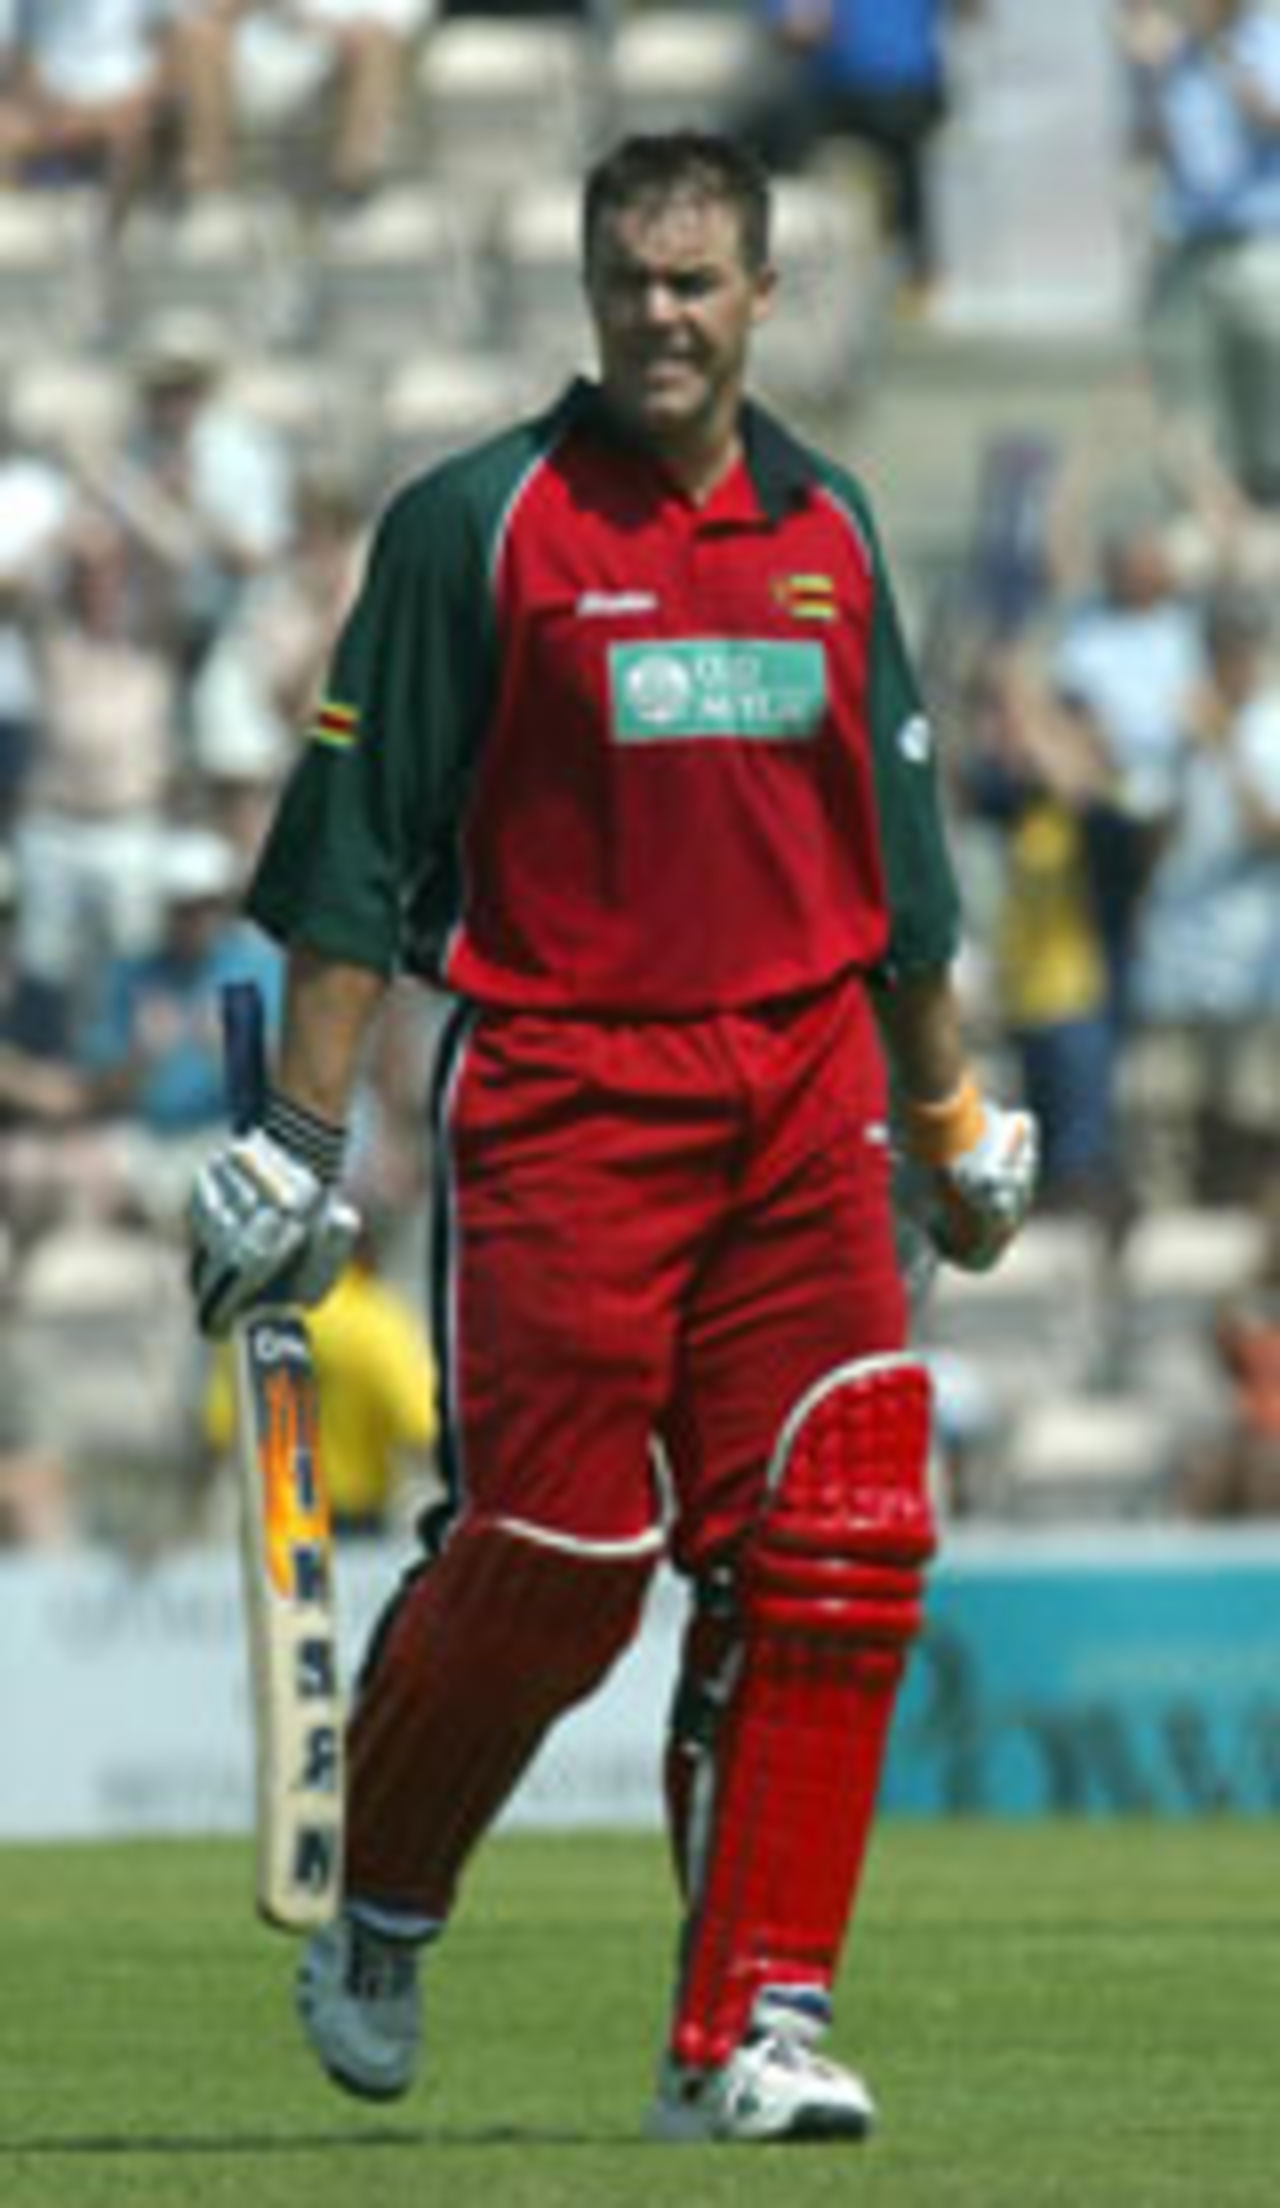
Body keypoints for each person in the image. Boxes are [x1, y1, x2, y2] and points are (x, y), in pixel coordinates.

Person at [187, 132, 1036, 2146]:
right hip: (566, 1088)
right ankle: (383, 1891)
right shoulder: (473, 524)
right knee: (568, 1556)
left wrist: (948, 1112)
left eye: (697, 282)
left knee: (836, 1545)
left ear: (762, 297)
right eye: (631, 279)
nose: (663, 313)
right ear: (589, 290)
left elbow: (898, 874)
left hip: (806, 1085)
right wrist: (299, 1143)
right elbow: (359, 860)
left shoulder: (828, 528)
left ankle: (744, 2034)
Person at [1121, 0, 1280, 503]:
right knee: (1185, 398)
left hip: (1259, 242)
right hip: (1187, 245)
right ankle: (1203, 511)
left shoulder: (1268, 40)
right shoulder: (1170, 58)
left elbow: (1271, 119)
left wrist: (1222, 58)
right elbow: (1146, 146)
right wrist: (1147, 79)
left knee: (1267, 396)